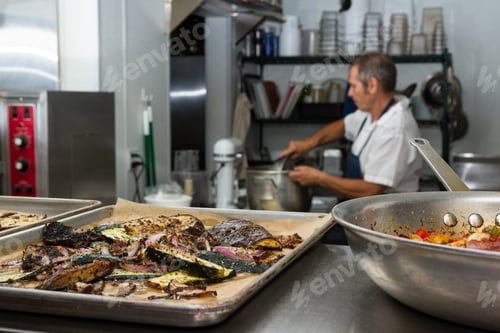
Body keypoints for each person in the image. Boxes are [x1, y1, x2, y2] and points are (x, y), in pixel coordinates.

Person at [279, 52, 422, 200]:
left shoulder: (394, 129)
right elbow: (344, 125)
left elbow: (371, 190)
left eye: (353, 86)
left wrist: (319, 178)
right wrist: (308, 144)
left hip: (389, 216)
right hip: (366, 210)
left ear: (372, 85)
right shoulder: (373, 110)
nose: (350, 93)